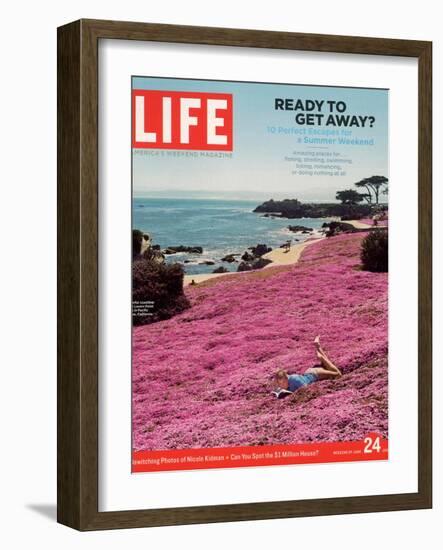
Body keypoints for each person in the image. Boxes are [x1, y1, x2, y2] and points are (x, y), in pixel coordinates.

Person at [273, 336, 342, 394]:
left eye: (282, 383)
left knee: (338, 374)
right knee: (326, 366)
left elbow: (306, 389)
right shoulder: (284, 382)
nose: (281, 386)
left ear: (286, 378)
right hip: (308, 373)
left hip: (315, 374)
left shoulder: (294, 379)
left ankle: (321, 357)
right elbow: (277, 390)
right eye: (279, 384)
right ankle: (317, 346)